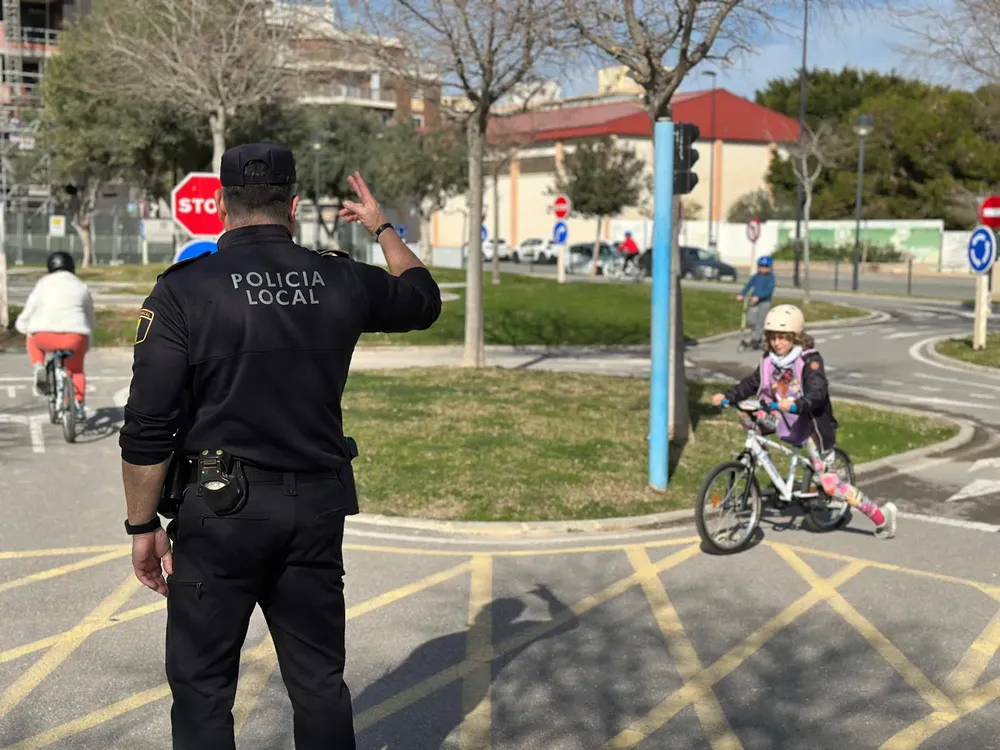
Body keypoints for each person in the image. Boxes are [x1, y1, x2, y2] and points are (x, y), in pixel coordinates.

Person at [118, 143, 441, 750]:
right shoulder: (339, 276)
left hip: (219, 515)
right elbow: (422, 300)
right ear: (292, 205)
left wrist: (142, 524)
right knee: (319, 682)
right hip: (315, 508)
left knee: (203, 687)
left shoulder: (183, 291)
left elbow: (147, 425)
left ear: (220, 205)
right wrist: (381, 226)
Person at [710, 304, 898, 540]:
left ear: (795, 337)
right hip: (783, 417)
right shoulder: (769, 361)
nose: (778, 343)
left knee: (830, 485)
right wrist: (729, 396)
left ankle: (881, 517)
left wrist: (799, 403)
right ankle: (759, 458)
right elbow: (752, 383)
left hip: (811, 425)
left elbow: (818, 392)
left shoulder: (809, 360)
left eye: (783, 338)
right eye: (773, 338)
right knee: (746, 413)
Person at [14, 250, 95, 420]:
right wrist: (88, 335)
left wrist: (22, 325)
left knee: (31, 335)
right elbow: (89, 315)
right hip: (75, 335)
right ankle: (78, 405)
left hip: (45, 335)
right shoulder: (81, 285)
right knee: (76, 371)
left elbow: (31, 307)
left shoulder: (43, 283)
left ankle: (38, 366)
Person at [736, 255, 775, 349]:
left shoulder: (770, 277)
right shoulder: (756, 277)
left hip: (764, 302)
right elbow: (748, 285)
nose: (763, 269)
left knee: (761, 321)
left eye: (766, 267)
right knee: (751, 320)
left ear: (770, 268)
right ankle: (757, 337)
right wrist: (742, 294)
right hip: (754, 301)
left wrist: (759, 297)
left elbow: (769, 290)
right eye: (761, 267)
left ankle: (756, 339)